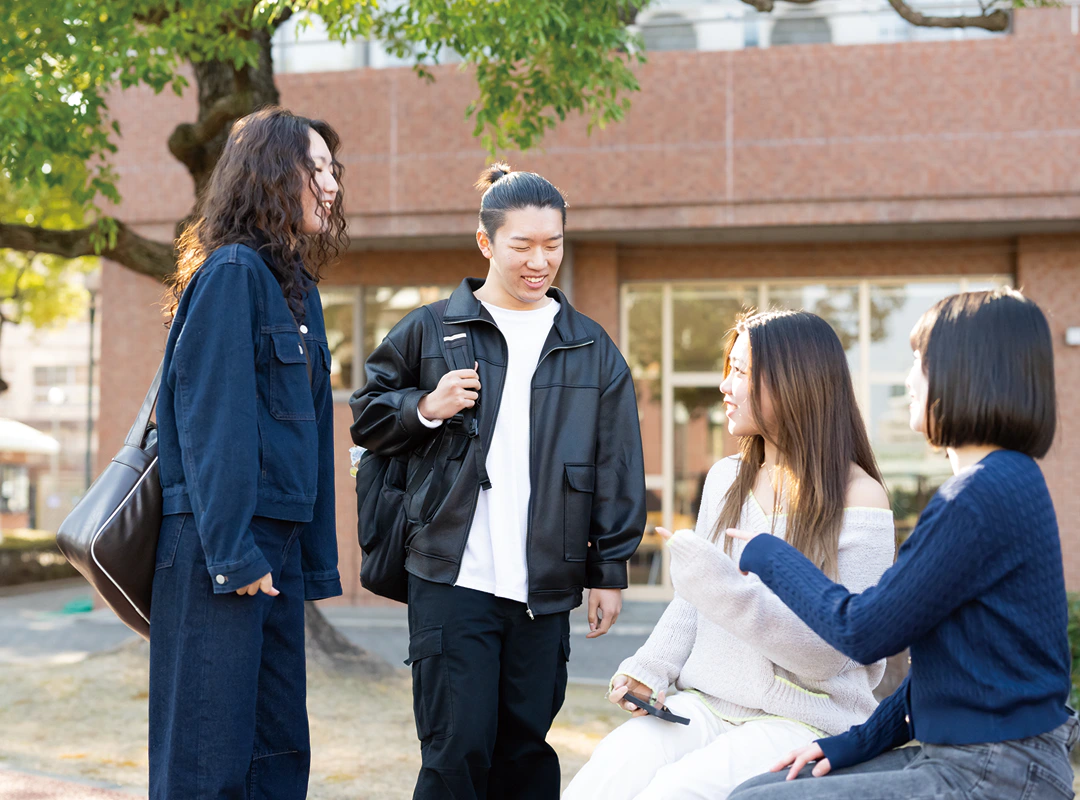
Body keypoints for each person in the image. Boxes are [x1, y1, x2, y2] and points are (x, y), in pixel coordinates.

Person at [350, 163, 647, 800]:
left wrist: (609, 568)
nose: (540, 261)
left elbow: (617, 463)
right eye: (522, 245)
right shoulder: (431, 329)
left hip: (544, 586)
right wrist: (426, 407)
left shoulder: (589, 347)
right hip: (453, 577)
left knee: (527, 755)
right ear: (486, 243)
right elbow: (367, 416)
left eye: (553, 244)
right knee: (455, 751)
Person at [727, 288, 1075, 800]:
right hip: (981, 759)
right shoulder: (1002, 483)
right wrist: (852, 744)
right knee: (760, 788)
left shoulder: (979, 497)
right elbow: (951, 672)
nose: (908, 379)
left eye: (919, 360)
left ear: (967, 371)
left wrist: (767, 551)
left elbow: (863, 630)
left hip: (997, 769)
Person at [563, 310, 896, 800]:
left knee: (674, 792)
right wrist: (649, 668)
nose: (724, 384)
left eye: (740, 372)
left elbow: (828, 655)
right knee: (609, 770)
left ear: (794, 383)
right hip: (708, 703)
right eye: (729, 367)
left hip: (806, 721)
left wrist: (719, 586)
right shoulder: (726, 478)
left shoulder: (860, 498)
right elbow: (694, 602)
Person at [150, 107, 347, 799]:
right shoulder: (232, 273)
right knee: (207, 762)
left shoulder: (298, 290)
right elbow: (213, 422)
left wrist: (312, 562)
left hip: (275, 550)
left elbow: (311, 441)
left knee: (276, 755)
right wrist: (233, 553)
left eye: (332, 170)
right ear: (271, 174)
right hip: (219, 544)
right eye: (314, 168)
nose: (330, 185)